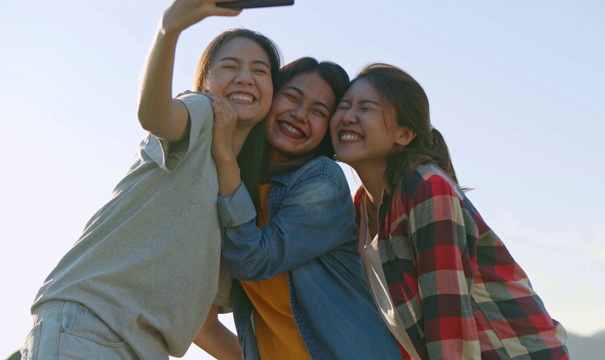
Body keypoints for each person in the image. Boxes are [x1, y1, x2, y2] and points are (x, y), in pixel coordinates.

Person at [21, 1, 282, 359]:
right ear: (205, 83)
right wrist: (168, 28)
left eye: (259, 70)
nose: (244, 77)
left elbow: (204, 328)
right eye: (229, 66)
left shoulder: (237, 197)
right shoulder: (201, 113)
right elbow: (154, 115)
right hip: (91, 323)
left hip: (140, 347)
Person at [329, 63, 570, 359]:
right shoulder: (360, 209)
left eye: (366, 108)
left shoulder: (426, 187)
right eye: (343, 106)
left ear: (404, 133)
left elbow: (448, 315)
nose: (348, 117)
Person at [210, 57, 402, 359]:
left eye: (318, 111)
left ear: (329, 129)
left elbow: (252, 260)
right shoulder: (236, 188)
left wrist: (224, 154)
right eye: (292, 97)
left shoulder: (322, 182)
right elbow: (201, 324)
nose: (299, 114)